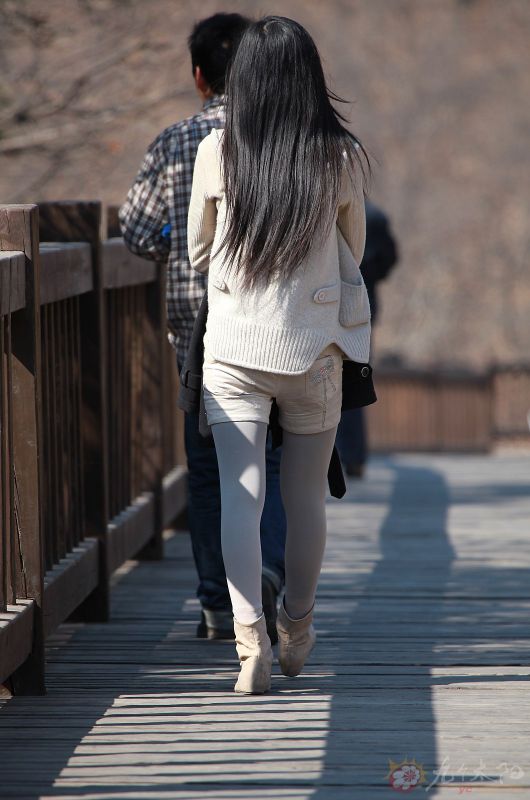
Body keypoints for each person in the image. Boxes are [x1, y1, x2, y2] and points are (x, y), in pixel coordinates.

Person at [187, 16, 371, 694]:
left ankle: (248, 644)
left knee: (241, 496)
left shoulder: (217, 150)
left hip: (235, 347)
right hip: (314, 347)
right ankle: (297, 624)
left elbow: (198, 251)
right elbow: (353, 247)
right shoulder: (340, 155)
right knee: (305, 499)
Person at [119, 13, 287, 643]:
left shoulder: (174, 142)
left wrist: (178, 236)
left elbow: (135, 232)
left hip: (200, 335)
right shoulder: (281, 139)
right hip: (277, 327)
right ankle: (268, 568)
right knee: (270, 458)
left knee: (210, 469)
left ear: (198, 76)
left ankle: (219, 602)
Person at [336, 200, 398, 477]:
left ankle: (331, 455)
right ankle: (354, 455)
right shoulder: (375, 216)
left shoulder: (328, 209)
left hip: (326, 306)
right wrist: (370, 275)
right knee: (356, 379)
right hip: (363, 309)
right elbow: (390, 258)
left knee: (323, 380)